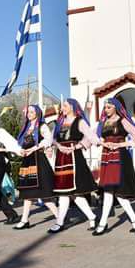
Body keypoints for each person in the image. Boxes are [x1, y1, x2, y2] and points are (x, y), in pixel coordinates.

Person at [92, 98, 135, 235]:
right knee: (113, 192)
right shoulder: (102, 123)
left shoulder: (123, 121)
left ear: (115, 107)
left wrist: (120, 144)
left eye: (109, 107)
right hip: (107, 156)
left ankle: (103, 223)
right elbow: (95, 138)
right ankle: (133, 218)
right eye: (105, 107)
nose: (106, 109)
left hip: (120, 157)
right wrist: (103, 144)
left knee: (113, 191)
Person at [48, 99, 99, 234]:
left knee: (69, 193)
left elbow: (92, 137)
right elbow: (52, 138)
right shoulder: (59, 122)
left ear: (72, 107)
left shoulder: (80, 121)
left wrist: (77, 146)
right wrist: (58, 145)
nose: (62, 108)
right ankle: (91, 216)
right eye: (62, 106)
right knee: (69, 193)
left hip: (74, 159)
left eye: (65, 105)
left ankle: (60, 222)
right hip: (61, 158)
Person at [13, 105, 59, 230]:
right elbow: (21, 144)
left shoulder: (42, 126)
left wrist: (34, 148)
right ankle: (24, 220)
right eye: (28, 112)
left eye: (32, 112)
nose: (29, 114)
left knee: (44, 194)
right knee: (28, 193)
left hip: (38, 161)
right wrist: (21, 151)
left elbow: (48, 140)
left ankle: (60, 217)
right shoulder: (26, 127)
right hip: (27, 161)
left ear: (37, 113)